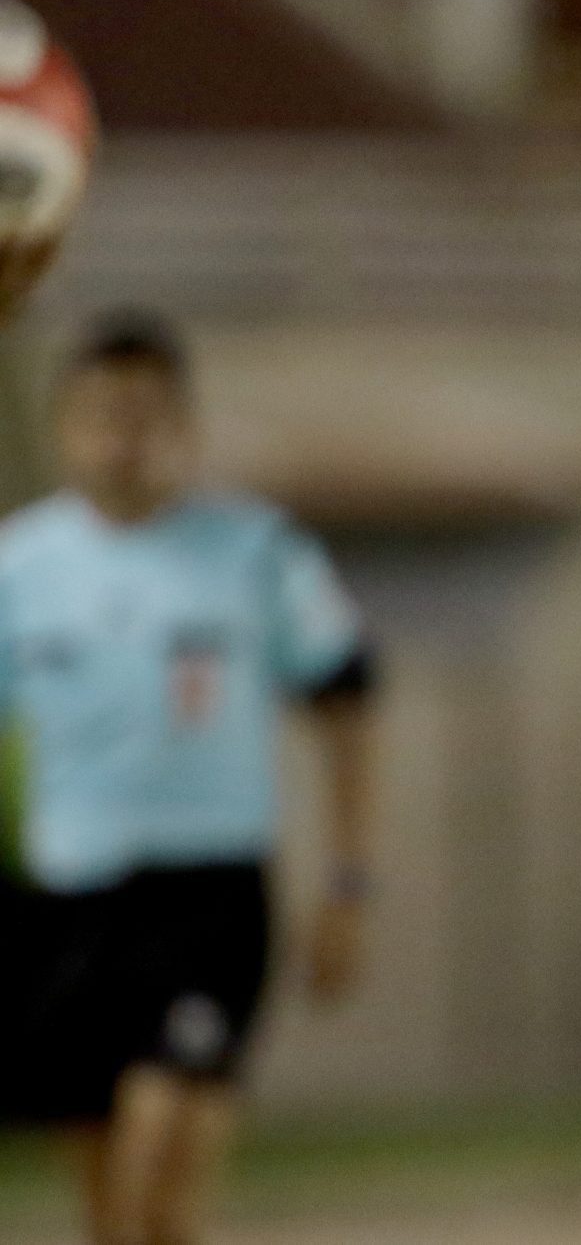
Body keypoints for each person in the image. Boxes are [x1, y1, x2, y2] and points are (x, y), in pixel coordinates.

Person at [0, 313, 375, 1245]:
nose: (124, 439)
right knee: (117, 1218)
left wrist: (348, 881)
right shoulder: (18, 568)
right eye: (102, 416)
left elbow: (346, 700)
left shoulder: (254, 552)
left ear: (185, 425)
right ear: (63, 426)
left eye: (146, 415)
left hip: (207, 902)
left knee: (162, 1164)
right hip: (66, 903)